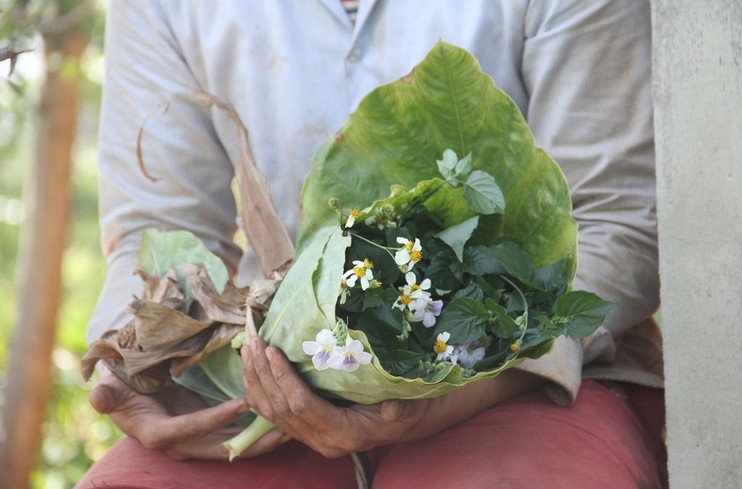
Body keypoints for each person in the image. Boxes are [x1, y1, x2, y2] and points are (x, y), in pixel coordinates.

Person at [77, 0, 666, 487]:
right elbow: (156, 230)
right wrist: (130, 361)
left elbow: (618, 223)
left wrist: (449, 394)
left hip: (520, 375)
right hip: (275, 377)